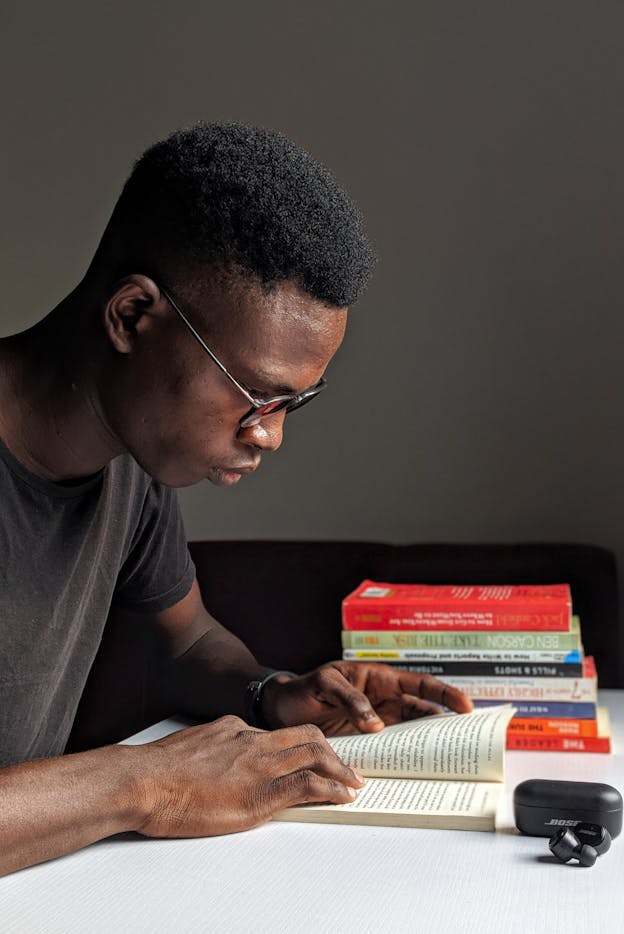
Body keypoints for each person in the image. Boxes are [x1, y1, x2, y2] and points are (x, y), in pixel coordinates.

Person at [0, 123, 472, 877]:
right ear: (131, 317)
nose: (270, 435)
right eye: (257, 394)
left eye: (295, 403)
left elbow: (187, 644)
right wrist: (144, 782)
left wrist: (273, 693)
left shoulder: (129, 468)